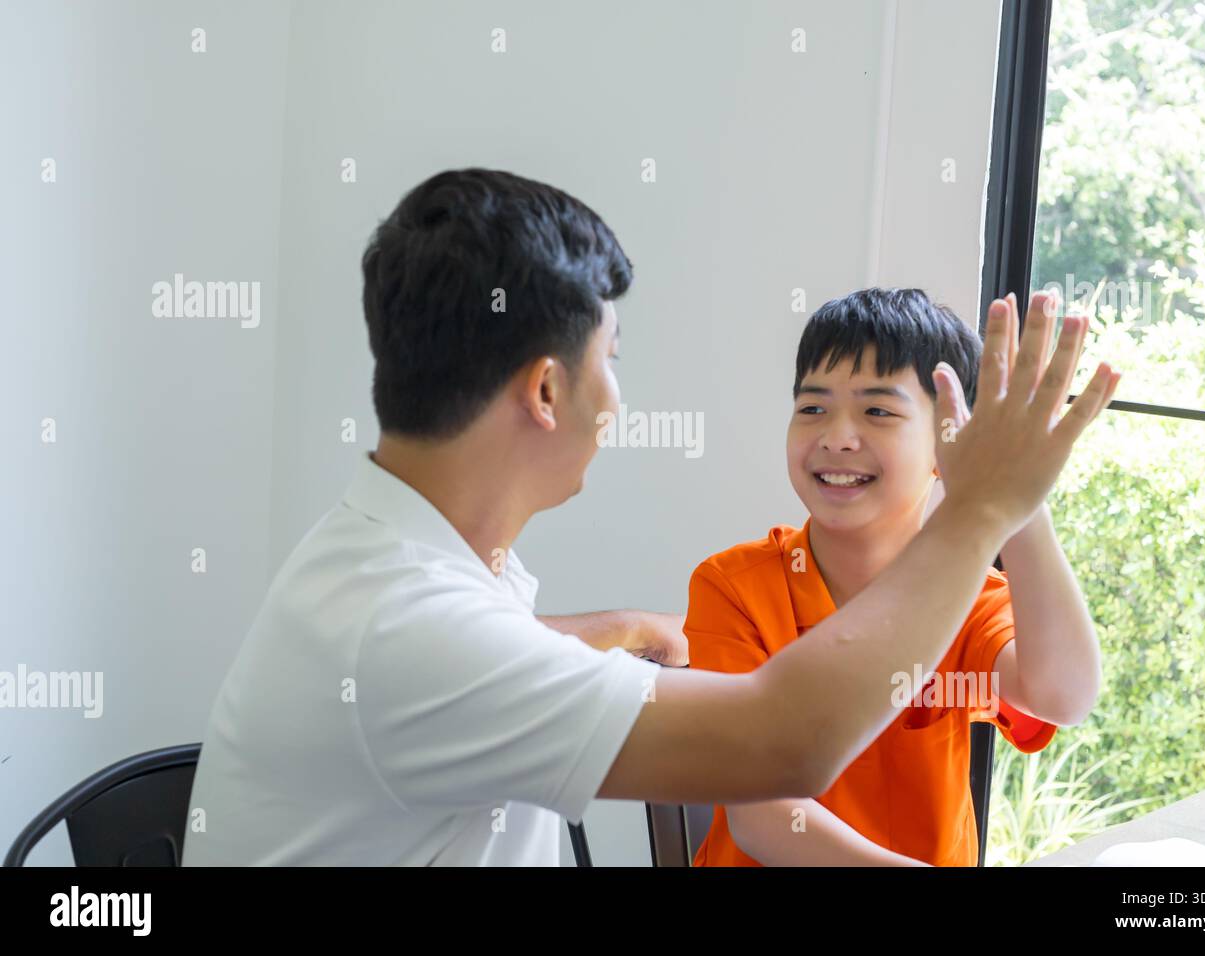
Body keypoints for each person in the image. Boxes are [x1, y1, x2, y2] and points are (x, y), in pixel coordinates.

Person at [183, 168, 1119, 865]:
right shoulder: (410, 628)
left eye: (878, 409)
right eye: (613, 359)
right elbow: (782, 748)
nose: (620, 401)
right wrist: (990, 499)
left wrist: (624, 630)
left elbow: (1058, 688)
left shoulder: (406, 569)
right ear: (546, 390)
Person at [688, 288, 1102, 866]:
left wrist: (1016, 502)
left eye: (877, 410)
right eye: (812, 408)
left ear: (946, 445)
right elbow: (762, 818)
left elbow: (1064, 695)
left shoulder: (970, 597)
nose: (836, 436)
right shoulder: (733, 587)